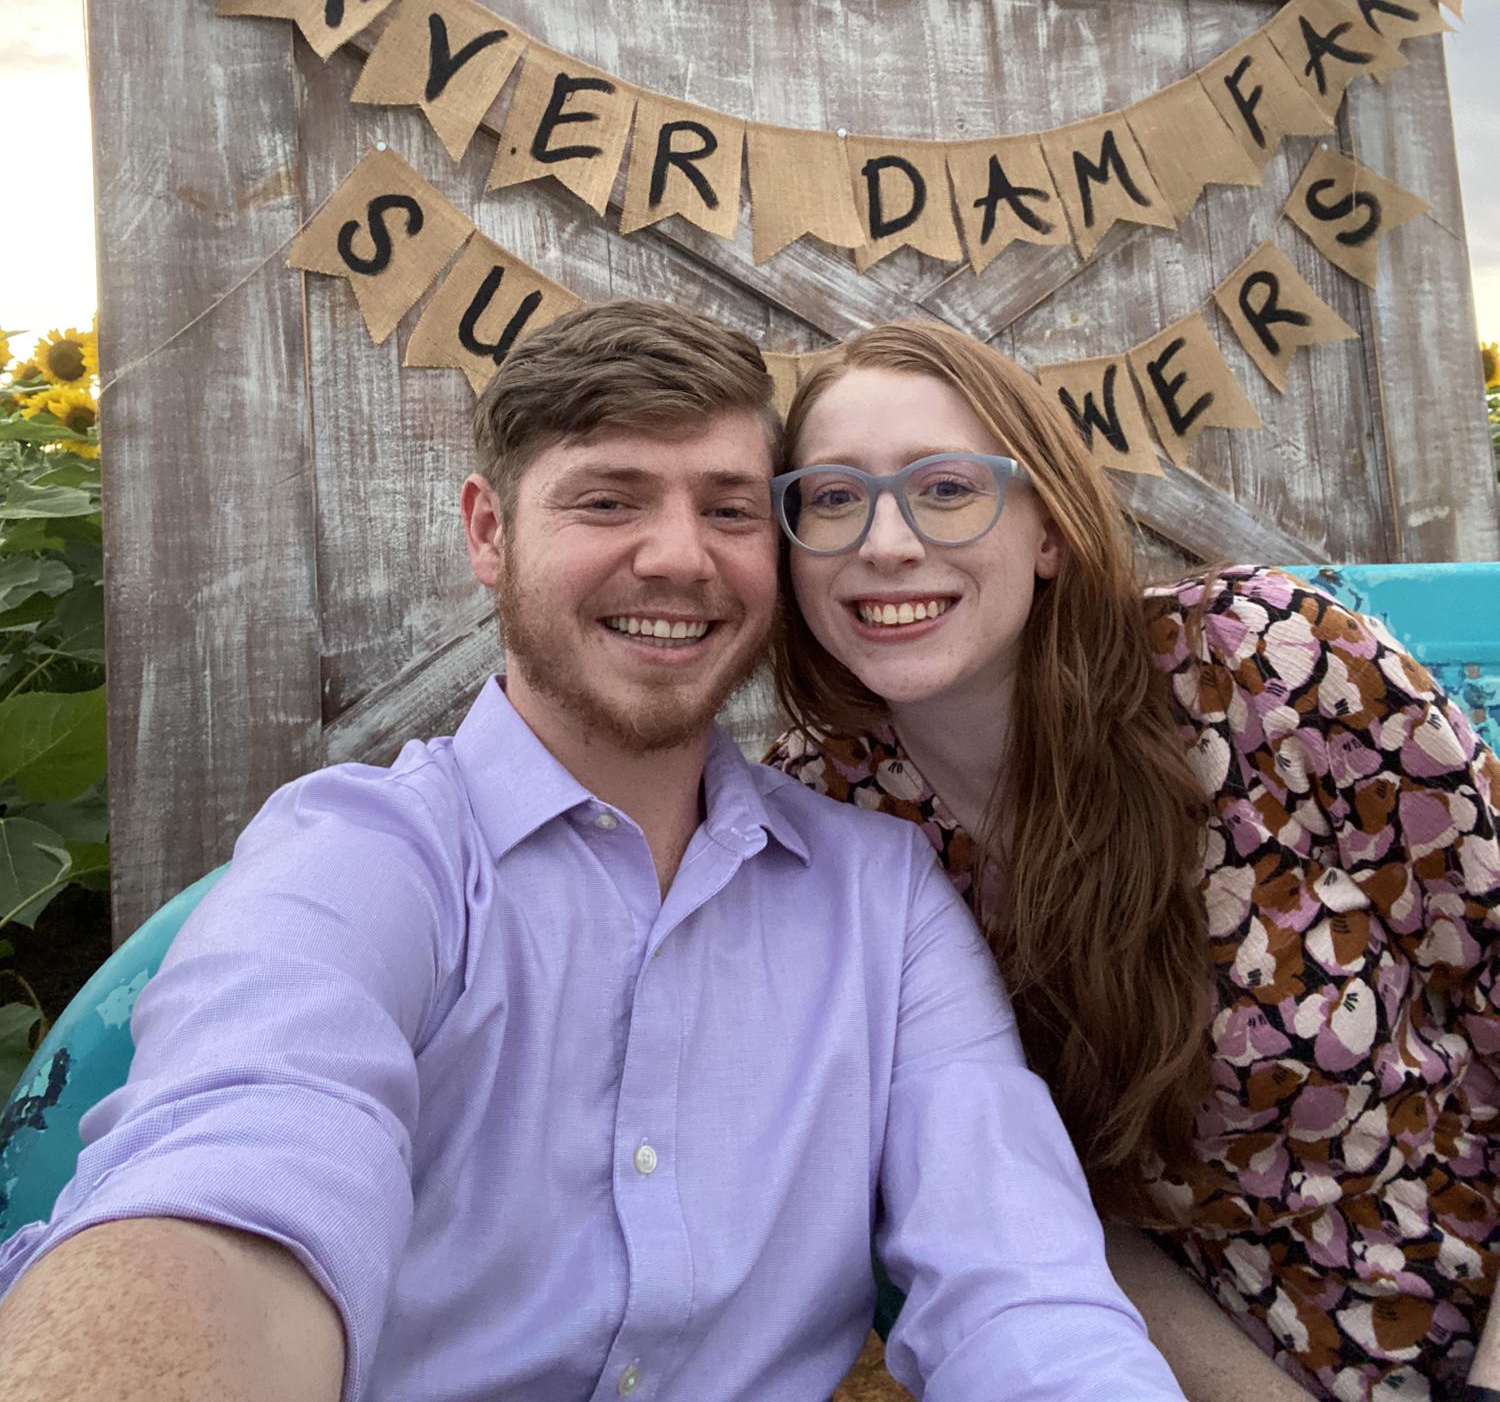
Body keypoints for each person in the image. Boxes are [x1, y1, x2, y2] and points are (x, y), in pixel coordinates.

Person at [0, 301, 1183, 1402]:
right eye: (609, 500)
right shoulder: (362, 857)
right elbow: (232, 1175)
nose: (680, 556)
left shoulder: (883, 892)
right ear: (488, 530)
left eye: (728, 508)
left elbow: (1022, 1285)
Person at [766, 319, 1500, 1402]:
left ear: (1049, 530)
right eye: (832, 497)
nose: (884, 541)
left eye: (948, 486)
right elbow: (1029, 1202)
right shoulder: (827, 817)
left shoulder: (1265, 665)